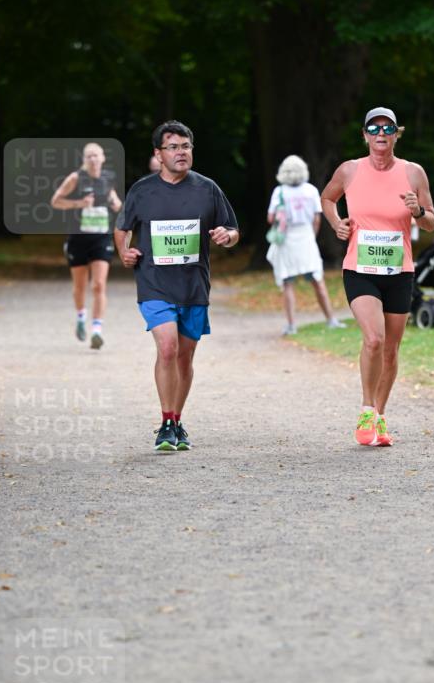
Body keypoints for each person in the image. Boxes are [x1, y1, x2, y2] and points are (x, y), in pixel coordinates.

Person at [114, 120, 239, 451]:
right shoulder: (143, 190)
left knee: (184, 357)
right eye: (173, 147)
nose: (181, 153)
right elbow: (122, 227)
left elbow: (232, 229)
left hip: (194, 287)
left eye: (186, 146)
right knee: (167, 347)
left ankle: (177, 421)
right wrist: (123, 252)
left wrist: (227, 236)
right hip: (154, 283)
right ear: (158, 154)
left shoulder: (207, 189)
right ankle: (166, 421)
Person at [321, 107, 434, 446]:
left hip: (399, 271)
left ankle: (381, 416)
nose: (381, 133)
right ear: (365, 135)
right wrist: (336, 222)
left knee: (391, 349)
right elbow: (328, 198)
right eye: (374, 128)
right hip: (360, 269)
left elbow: (430, 220)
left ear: (397, 134)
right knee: (374, 338)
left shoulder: (413, 173)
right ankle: (367, 409)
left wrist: (417, 210)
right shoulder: (350, 170)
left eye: (387, 128)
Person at [51, 143, 122, 349]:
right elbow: (56, 201)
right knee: (80, 286)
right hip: (78, 238)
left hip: (101, 238)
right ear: (84, 159)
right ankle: (81, 316)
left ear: (103, 158)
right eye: (89, 156)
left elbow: (115, 201)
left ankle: (97, 330)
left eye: (96, 155)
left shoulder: (108, 178)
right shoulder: (75, 178)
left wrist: (117, 205)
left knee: (99, 284)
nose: (93, 159)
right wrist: (78, 204)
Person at [266, 154, 344, 335]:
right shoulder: (311, 190)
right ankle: (331, 319)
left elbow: (271, 218)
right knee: (318, 280)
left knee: (287, 282)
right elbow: (317, 218)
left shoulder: (280, 192)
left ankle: (292, 325)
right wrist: (312, 236)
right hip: (306, 237)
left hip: (286, 239)